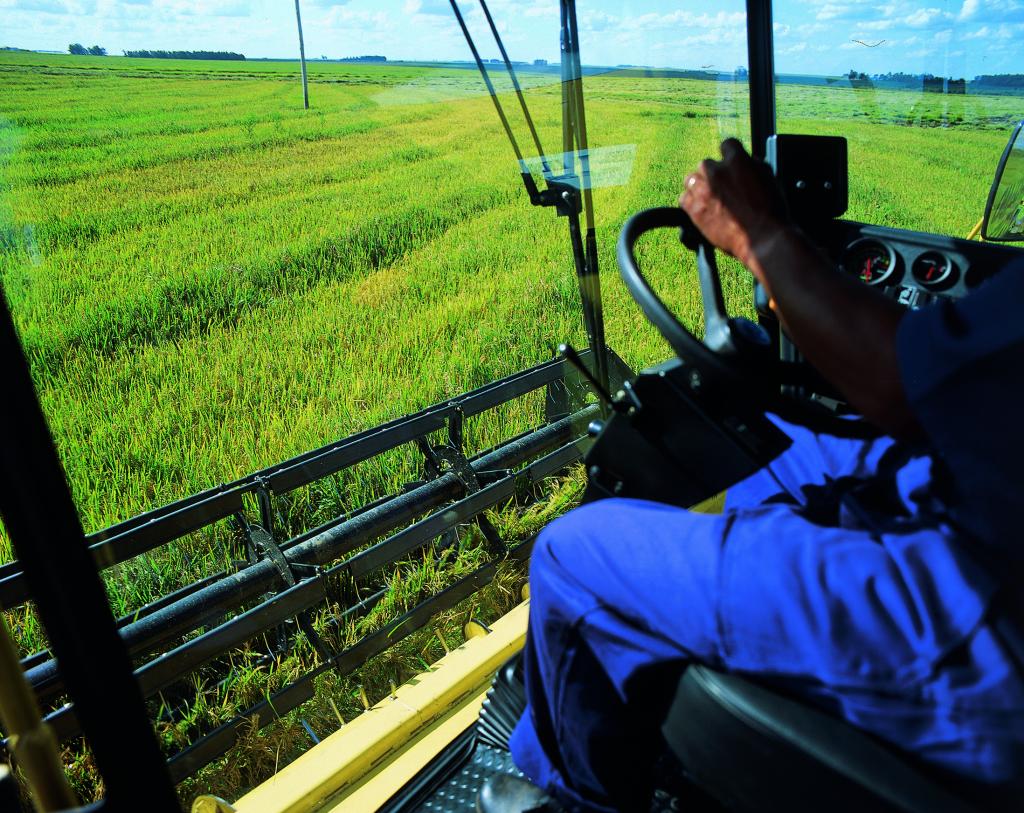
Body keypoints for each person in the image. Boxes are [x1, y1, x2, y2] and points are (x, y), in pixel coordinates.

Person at [477, 139, 1024, 812]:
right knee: (782, 443)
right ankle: (654, 645)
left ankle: (567, 793)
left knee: (568, 555)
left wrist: (759, 233)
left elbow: (896, 382)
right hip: (979, 490)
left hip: (979, 609)